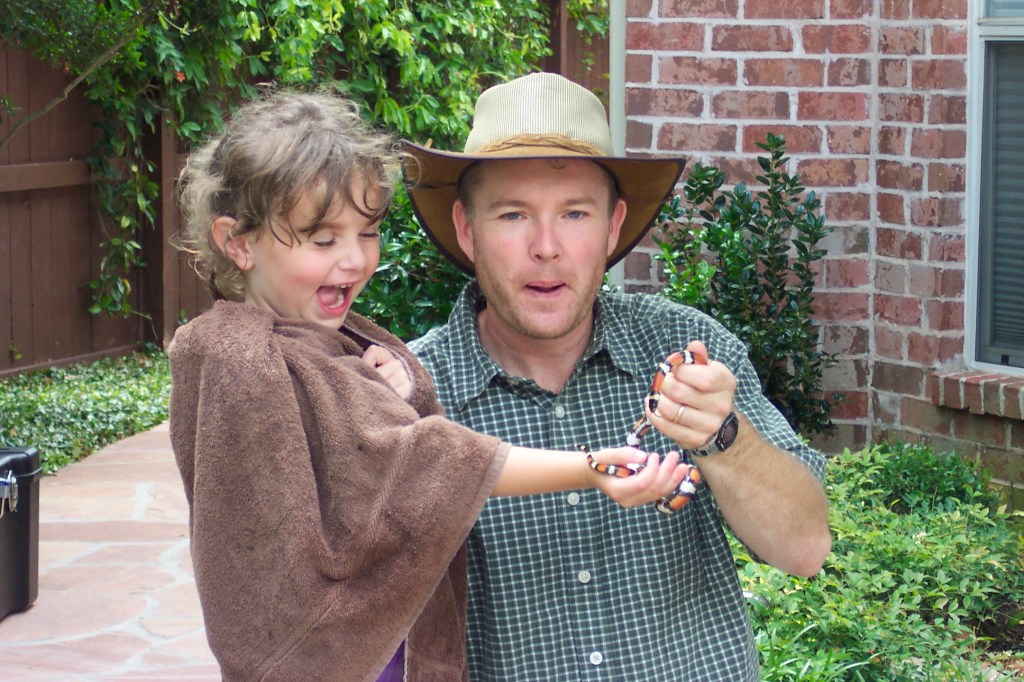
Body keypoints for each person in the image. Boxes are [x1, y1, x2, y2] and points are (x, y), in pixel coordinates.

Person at [167, 89, 694, 682]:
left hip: (380, 650)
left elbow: (365, 462)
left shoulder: (332, 341)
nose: (355, 260)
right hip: (316, 658)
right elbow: (407, 463)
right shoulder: (230, 354)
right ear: (238, 242)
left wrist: (400, 394)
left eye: (366, 233)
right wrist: (587, 466)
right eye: (322, 239)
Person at [404, 72, 832, 680]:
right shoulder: (413, 391)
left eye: (575, 213)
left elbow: (806, 549)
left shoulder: (689, 353)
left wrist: (723, 439)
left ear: (612, 227)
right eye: (513, 215)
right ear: (468, 229)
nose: (547, 246)